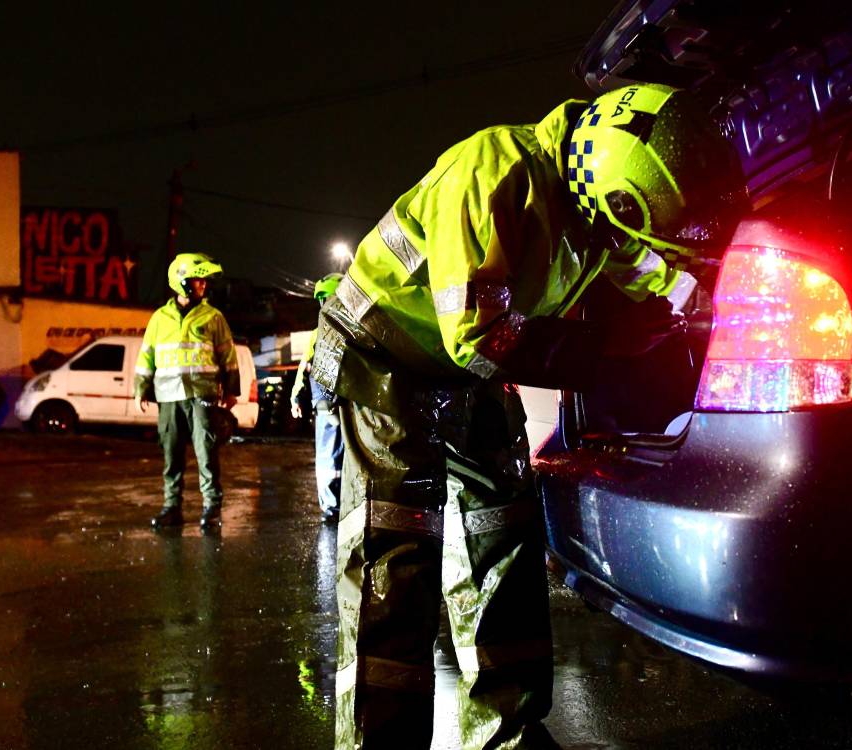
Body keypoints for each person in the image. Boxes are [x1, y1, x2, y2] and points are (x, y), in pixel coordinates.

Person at [311, 83, 734, 748]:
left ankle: (508, 731)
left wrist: (704, 296)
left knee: (501, 533)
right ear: (617, 197)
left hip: (462, 361)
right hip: (385, 353)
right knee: (395, 560)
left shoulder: (594, 205)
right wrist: (609, 349)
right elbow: (481, 338)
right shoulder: (495, 172)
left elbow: (642, 263)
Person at [135, 252, 241, 530]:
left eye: (204, 281)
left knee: (206, 453)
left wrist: (231, 390)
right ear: (181, 282)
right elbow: (147, 355)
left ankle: (212, 509)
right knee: (171, 455)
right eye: (198, 280)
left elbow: (228, 355)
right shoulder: (160, 318)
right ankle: (172, 507)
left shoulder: (213, 317)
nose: (203, 285)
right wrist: (141, 389)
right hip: (168, 397)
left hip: (201, 395)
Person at [290, 273, 345, 520]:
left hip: (340, 406)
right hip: (332, 406)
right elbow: (306, 371)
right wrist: (297, 398)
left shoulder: (342, 331)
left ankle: (338, 505)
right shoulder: (320, 334)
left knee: (336, 457)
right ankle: (333, 506)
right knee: (331, 457)